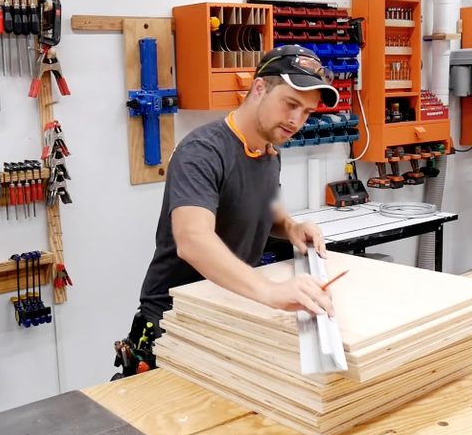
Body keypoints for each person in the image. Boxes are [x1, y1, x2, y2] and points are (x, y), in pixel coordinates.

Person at [138, 45, 341, 329]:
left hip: (228, 305)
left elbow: (264, 207)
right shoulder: (203, 151)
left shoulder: (269, 151)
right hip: (174, 316)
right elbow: (192, 240)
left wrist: (290, 226)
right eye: (290, 104)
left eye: (307, 111)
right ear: (259, 88)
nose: (297, 121)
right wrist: (269, 290)